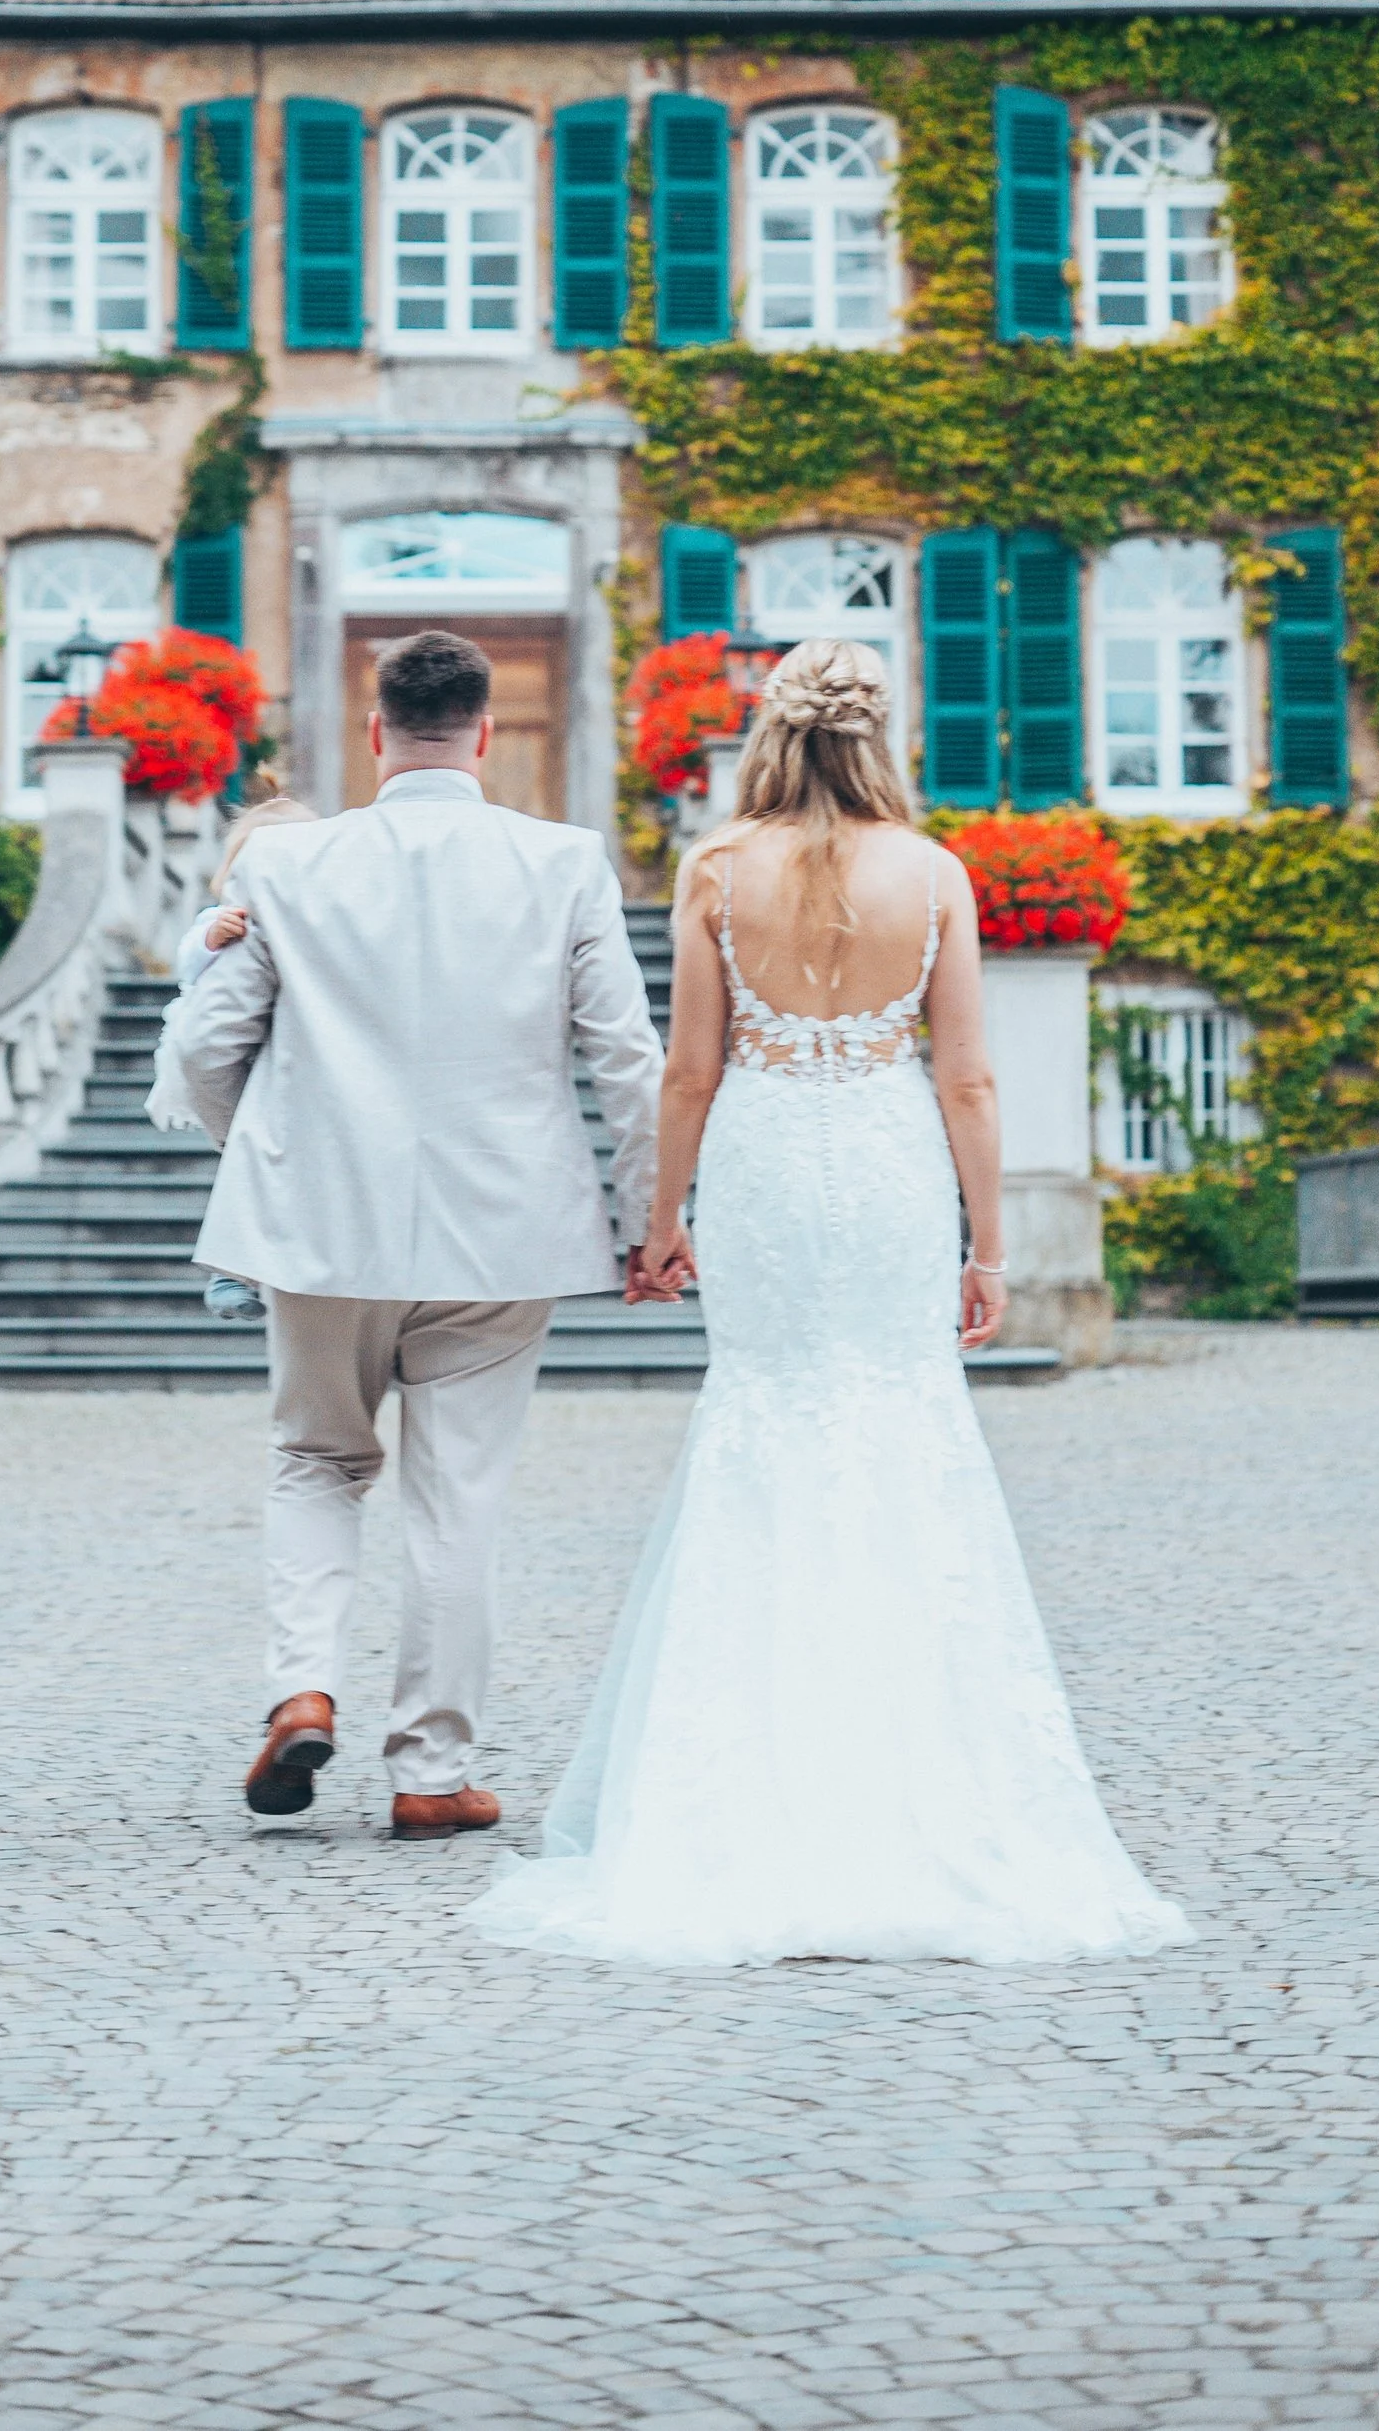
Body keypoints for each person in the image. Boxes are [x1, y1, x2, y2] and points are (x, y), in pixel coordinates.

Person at [468, 636, 1189, 1970]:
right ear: (878, 736)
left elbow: (688, 1073)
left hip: (763, 1174)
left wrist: (663, 1219)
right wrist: (988, 1246)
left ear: (770, 733)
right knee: (904, 1427)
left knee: (762, 1422)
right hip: (883, 1170)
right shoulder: (936, 874)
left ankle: (740, 1788)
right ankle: (922, 1772)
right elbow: (969, 1080)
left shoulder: (715, 872)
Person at [165, 628, 663, 1837]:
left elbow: (197, 1048)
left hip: (320, 1231)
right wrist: (653, 1224)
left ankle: (301, 1691)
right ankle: (432, 1776)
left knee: (315, 1460)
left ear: (375, 733)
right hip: (502, 1236)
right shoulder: (565, 862)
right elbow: (626, 1063)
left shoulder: (291, 866)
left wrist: (267, 1155)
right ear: (485, 734)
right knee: (459, 1504)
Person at [143, 788, 320, 1325]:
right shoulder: (223, 917)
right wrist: (212, 941)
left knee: (261, 1167)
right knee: (243, 1164)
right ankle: (230, 1270)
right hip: (241, 1062)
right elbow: (187, 966)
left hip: (285, 1061)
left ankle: (251, 1264)